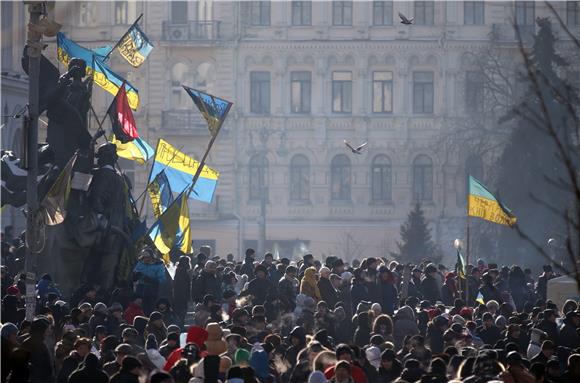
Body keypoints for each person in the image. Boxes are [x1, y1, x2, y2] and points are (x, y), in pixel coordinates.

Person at [133, 248, 167, 315]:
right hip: (140, 289)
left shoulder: (158, 265)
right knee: (140, 309)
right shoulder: (140, 263)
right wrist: (136, 275)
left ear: (152, 256)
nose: (145, 259)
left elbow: (162, 279)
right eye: (144, 257)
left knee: (150, 309)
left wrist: (152, 280)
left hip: (152, 290)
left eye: (147, 257)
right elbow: (135, 272)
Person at [20, 317, 53, 383]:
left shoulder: (30, 342)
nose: (49, 331)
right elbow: (39, 367)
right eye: (47, 329)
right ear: (41, 330)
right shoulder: (37, 344)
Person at [172, 255, 191, 326]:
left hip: (178, 296)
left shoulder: (178, 271)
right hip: (181, 296)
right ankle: (180, 326)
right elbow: (184, 286)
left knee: (179, 313)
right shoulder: (183, 273)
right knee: (181, 314)